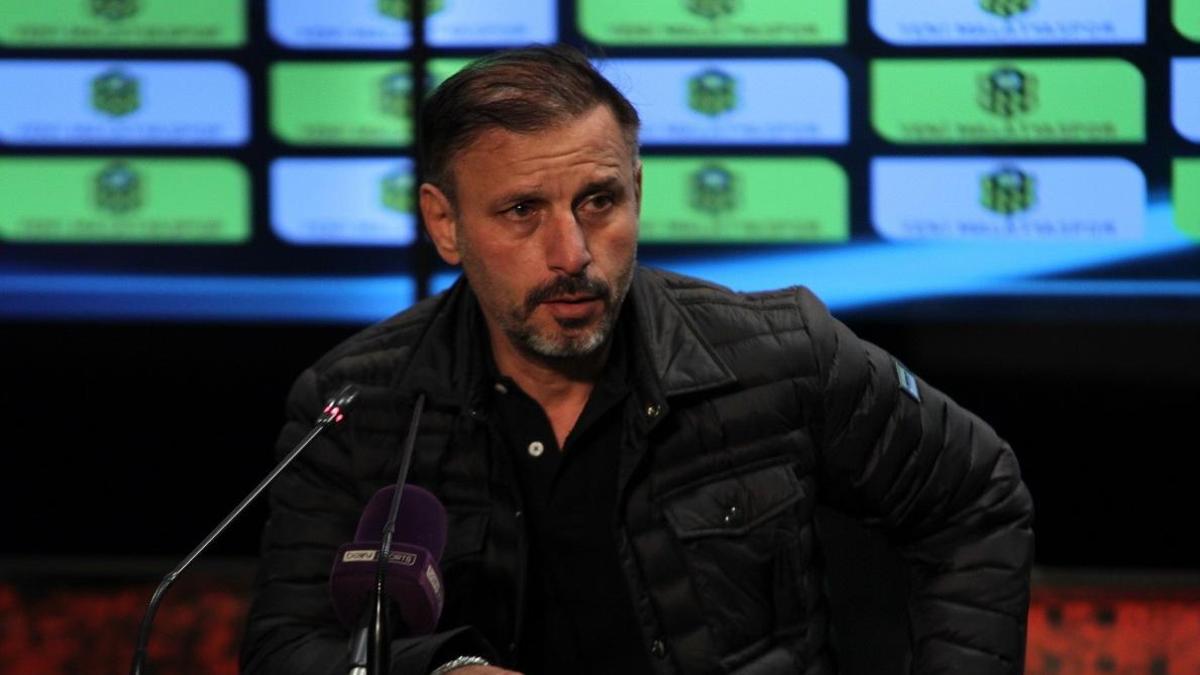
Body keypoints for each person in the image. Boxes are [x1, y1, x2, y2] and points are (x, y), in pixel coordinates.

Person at [241, 44, 1034, 675]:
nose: (572, 252)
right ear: (444, 224)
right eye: (522, 210)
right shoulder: (356, 406)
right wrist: (437, 670)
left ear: (637, 190)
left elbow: (976, 496)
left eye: (599, 200)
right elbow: (285, 648)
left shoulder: (781, 353)